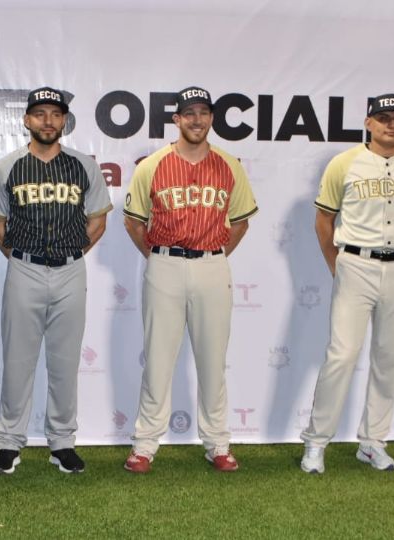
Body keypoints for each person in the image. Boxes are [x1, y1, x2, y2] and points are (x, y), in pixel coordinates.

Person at [300, 93, 394, 474]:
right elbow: (323, 220)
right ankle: (316, 442)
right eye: (383, 117)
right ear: (369, 122)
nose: (390, 124)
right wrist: (338, 264)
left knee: (390, 357)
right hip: (355, 264)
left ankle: (373, 441)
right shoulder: (344, 164)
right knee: (342, 355)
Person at [122, 86, 257, 473]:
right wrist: (158, 256)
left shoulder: (230, 164)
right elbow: (134, 220)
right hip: (165, 262)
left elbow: (241, 221)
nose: (197, 120)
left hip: (212, 265)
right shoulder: (153, 165)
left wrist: (212, 256)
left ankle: (217, 443)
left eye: (204, 112)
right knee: (159, 359)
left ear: (211, 118)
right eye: (189, 113)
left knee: (213, 361)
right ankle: (145, 444)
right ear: (176, 119)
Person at [0, 87, 112, 474]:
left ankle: (62, 442)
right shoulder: (6, 167)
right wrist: (24, 258)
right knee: (18, 359)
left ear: (64, 121)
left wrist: (69, 254)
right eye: (40, 114)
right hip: (24, 268)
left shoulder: (83, 166)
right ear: (27, 120)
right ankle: (9, 442)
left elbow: (98, 221)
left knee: (65, 361)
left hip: (71, 269)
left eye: (55, 114)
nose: (48, 121)